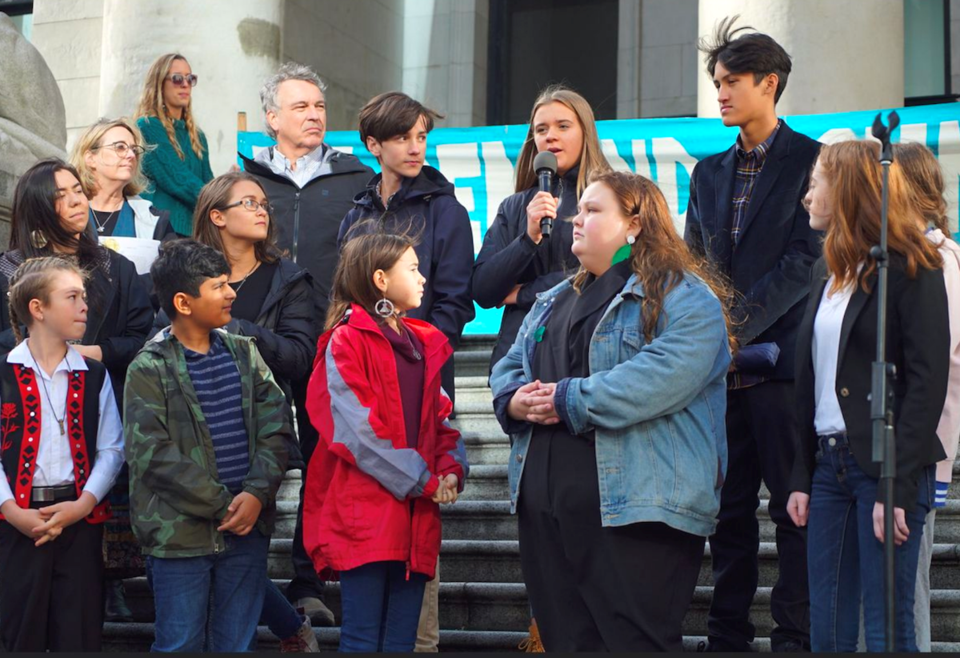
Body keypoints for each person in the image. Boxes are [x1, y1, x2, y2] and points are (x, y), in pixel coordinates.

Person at [489, 170, 732, 651]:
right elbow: (510, 363)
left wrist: (565, 399)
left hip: (635, 511)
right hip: (545, 508)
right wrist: (512, 399)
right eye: (578, 211)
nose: (575, 220)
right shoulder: (553, 298)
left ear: (635, 223)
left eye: (593, 211)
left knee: (635, 644)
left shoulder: (684, 296)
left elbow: (660, 376)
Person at [684, 17, 821, 652]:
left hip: (788, 366)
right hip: (721, 371)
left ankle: (795, 637)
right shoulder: (707, 173)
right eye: (717, 83)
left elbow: (806, 259)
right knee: (726, 514)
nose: (721, 93)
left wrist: (736, 326)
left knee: (794, 510)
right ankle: (727, 636)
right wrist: (714, 333)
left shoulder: (812, 161)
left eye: (732, 81)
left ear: (770, 84)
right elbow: (693, 262)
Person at [786, 139, 949, 652]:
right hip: (828, 465)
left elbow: (926, 380)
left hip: (887, 464)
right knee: (827, 628)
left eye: (816, 182)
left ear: (849, 188)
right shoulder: (825, 271)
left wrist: (895, 483)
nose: (807, 194)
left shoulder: (909, 265)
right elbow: (810, 379)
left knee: (886, 629)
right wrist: (801, 474)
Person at [240, 61, 373, 625]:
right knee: (250, 453)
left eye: (319, 107)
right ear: (271, 118)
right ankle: (241, 573)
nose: (314, 115)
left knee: (322, 459)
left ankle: (307, 578)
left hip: (331, 338)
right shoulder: (247, 181)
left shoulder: (355, 178)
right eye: (300, 107)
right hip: (261, 339)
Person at [302, 232, 469, 652]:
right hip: (366, 513)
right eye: (412, 269)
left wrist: (451, 469)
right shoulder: (346, 340)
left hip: (418, 514)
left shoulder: (422, 341)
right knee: (361, 640)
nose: (423, 278)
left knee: (400, 642)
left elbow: (442, 420)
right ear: (380, 279)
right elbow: (358, 433)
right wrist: (425, 481)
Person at [124, 239, 291, 652]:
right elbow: (154, 456)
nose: (231, 293)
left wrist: (255, 493)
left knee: (236, 644)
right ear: (183, 302)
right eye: (219, 286)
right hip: (178, 535)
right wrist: (224, 505)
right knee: (179, 644)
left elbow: (277, 425)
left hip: (247, 528)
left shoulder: (244, 352)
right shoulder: (149, 367)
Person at [190, 172, 320, 651]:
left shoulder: (289, 279)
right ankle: (288, 624)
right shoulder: (183, 269)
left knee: (239, 549)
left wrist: (234, 326)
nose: (263, 209)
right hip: (187, 428)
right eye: (249, 202)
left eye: (265, 202)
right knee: (197, 546)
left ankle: (273, 629)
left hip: (257, 432)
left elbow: (298, 356)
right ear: (218, 216)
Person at [0, 256, 124, 651]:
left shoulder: (95, 374)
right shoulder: (3, 372)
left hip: (79, 524)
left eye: (83, 296)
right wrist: (11, 510)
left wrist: (83, 504)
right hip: (17, 523)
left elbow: (112, 448)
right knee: (20, 635)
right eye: (71, 297)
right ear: (38, 308)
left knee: (80, 635)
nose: (84, 305)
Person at [340, 91, 475, 405]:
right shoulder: (354, 217)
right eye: (403, 138)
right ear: (374, 145)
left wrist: (415, 354)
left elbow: (455, 303)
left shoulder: (446, 211)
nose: (416, 149)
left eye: (421, 136)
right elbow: (343, 299)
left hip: (424, 378)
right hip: (362, 378)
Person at [472, 85, 610, 372]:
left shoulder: (612, 198)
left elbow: (613, 272)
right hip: (518, 363)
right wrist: (527, 239)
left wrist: (524, 292)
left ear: (586, 132)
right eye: (541, 130)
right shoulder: (515, 207)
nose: (551, 136)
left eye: (563, 126)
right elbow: (483, 290)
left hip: (584, 356)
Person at [136, 53, 214, 237]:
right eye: (177, 78)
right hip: (160, 230)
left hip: (193, 233)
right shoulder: (148, 126)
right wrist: (223, 199)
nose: (185, 84)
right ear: (159, 83)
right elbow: (178, 179)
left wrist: (226, 188)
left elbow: (208, 182)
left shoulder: (198, 136)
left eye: (190, 78)